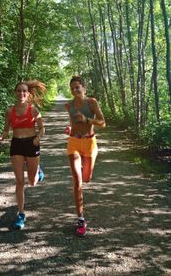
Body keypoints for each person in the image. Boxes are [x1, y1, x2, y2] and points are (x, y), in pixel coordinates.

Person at [0, 80, 46, 229]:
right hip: (16, 145)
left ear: (28, 94)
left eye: (24, 91)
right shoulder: (9, 110)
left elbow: (42, 128)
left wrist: (38, 137)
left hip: (31, 144)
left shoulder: (33, 110)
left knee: (32, 182)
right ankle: (21, 214)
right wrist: (2, 136)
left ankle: (37, 171)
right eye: (18, 90)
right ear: (15, 93)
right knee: (19, 181)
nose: (21, 93)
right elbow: (6, 130)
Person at [65, 75, 106, 236]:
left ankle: (84, 173)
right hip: (74, 142)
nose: (75, 90)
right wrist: (69, 129)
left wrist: (87, 119)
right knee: (77, 180)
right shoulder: (69, 105)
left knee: (86, 178)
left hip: (89, 143)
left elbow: (103, 122)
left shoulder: (91, 102)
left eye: (77, 87)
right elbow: (72, 123)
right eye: (72, 88)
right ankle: (81, 219)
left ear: (84, 87)